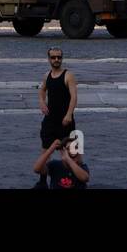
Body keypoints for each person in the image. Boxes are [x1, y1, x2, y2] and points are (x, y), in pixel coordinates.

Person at [38, 48, 77, 186]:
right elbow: (42, 89)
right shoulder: (47, 75)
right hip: (50, 121)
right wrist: (42, 102)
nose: (56, 60)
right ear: (49, 59)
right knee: (45, 154)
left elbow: (74, 97)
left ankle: (68, 183)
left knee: (67, 156)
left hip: (65, 122)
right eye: (53, 57)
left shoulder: (68, 75)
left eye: (59, 57)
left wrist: (68, 115)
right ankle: (42, 183)